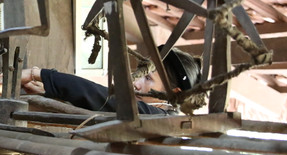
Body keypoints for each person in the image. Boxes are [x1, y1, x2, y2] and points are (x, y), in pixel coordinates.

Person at [18, 46, 202, 116]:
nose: (136, 83)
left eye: (148, 78)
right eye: (141, 73)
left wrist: (39, 74)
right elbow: (99, 105)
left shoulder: (159, 118)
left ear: (173, 93)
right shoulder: (160, 113)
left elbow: (100, 97)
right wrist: (48, 92)